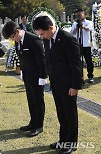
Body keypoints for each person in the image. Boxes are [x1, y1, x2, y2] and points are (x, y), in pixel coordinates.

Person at [33, 16, 82, 154]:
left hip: (68, 85)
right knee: (61, 113)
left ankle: (72, 143)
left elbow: (76, 64)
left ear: (50, 28)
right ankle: (63, 141)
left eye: (42, 33)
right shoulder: (48, 40)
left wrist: (75, 86)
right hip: (56, 83)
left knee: (70, 114)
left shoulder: (67, 38)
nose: (41, 37)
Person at [2, 21, 47, 137]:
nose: (13, 40)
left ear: (17, 31)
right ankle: (33, 122)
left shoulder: (33, 39)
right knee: (30, 99)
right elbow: (21, 57)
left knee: (38, 100)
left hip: (37, 75)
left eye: (13, 37)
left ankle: (39, 125)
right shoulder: (18, 41)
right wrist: (22, 71)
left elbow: (42, 59)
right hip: (27, 74)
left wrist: (43, 76)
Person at [70, 8, 94, 83]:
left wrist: (82, 26)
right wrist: (77, 27)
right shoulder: (74, 24)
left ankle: (90, 76)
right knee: (77, 61)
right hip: (78, 45)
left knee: (88, 61)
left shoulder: (89, 22)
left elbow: (89, 29)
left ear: (84, 14)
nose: (79, 16)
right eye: (78, 15)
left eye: (80, 14)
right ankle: (79, 76)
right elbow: (72, 33)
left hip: (86, 45)